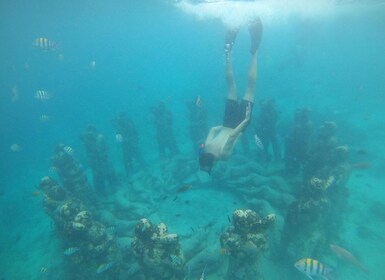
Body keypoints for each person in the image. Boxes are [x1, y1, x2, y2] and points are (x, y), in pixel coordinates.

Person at [199, 18, 263, 174]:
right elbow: (214, 129)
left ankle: (254, 51)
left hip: (239, 124)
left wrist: (246, 120)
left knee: (250, 88)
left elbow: (233, 136)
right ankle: (228, 52)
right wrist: (225, 127)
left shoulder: (223, 155)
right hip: (227, 122)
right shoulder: (206, 147)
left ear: (213, 163)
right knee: (231, 85)